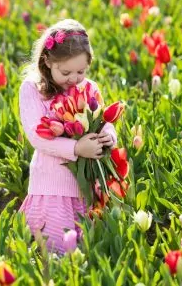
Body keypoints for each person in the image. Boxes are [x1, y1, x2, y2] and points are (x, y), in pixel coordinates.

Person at [18, 19, 117, 254]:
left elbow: (102, 120)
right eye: (65, 72)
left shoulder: (88, 88)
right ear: (47, 61)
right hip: (53, 186)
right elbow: (37, 136)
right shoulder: (33, 89)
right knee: (56, 250)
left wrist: (108, 137)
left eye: (81, 71)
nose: (73, 79)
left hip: (86, 188)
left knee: (88, 249)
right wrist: (76, 149)